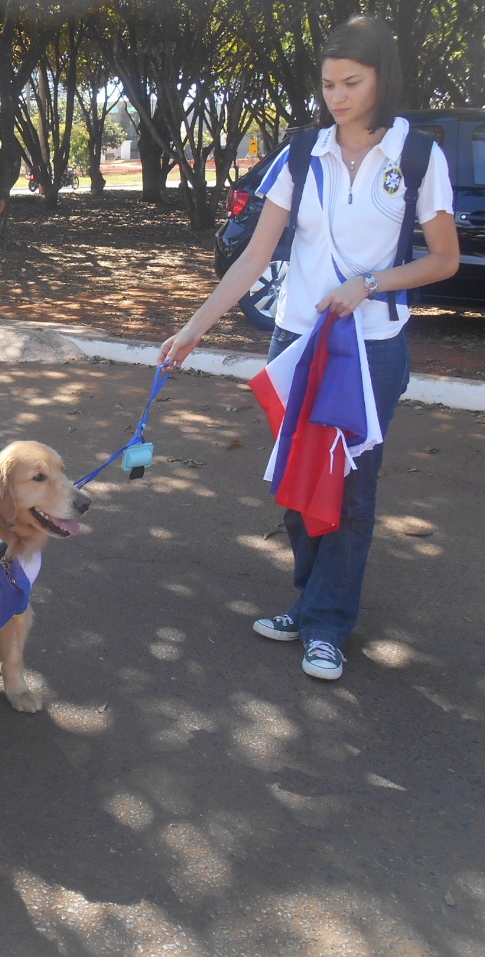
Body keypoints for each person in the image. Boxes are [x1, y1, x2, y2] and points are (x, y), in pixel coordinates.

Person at [158, 15, 459, 681]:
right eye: (328, 84)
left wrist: (370, 283)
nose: (338, 96)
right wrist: (191, 329)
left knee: (351, 487)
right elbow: (252, 258)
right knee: (297, 483)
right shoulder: (302, 153)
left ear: (383, 77)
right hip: (296, 343)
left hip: (371, 348)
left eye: (352, 82)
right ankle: (311, 599)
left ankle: (327, 623)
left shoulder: (416, 156)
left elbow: (444, 260)